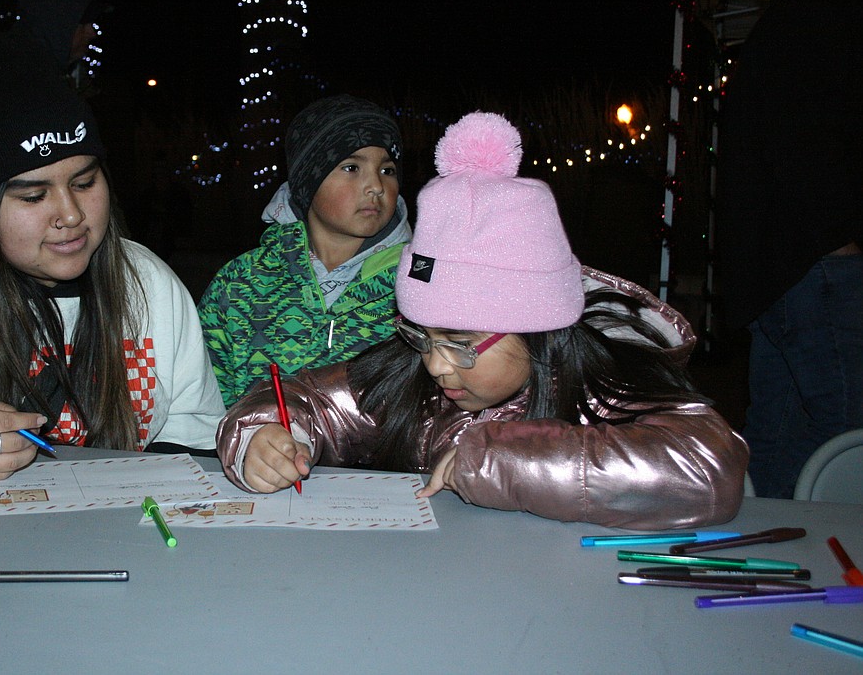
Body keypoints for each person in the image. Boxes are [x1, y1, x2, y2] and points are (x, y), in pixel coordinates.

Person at [219, 112, 748, 530]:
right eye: (421, 337)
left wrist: (502, 460)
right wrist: (261, 437)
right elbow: (305, 400)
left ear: (538, 328)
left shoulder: (603, 385)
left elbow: (708, 468)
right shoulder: (410, 384)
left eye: (460, 343)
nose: (434, 366)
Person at [0, 35, 221, 481]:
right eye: (35, 195)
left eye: (84, 183)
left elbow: (194, 436)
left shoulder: (148, 281)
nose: (72, 214)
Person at [716, 0, 863, 498]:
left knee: (782, 436)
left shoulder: (776, 33)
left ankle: (768, 551)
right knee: (849, 430)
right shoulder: (831, 27)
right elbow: (812, 158)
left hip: (777, 276)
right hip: (823, 268)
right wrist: (843, 239)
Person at [199, 94, 411, 407]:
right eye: (351, 167)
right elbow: (204, 406)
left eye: (388, 170)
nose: (376, 186)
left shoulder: (418, 286)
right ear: (308, 181)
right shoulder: (239, 283)